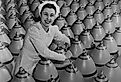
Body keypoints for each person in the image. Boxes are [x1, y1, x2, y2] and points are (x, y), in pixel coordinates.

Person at [14, 1, 70, 75]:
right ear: (40, 14)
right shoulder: (33, 30)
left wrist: (68, 42)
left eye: (52, 15)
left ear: (55, 17)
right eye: (45, 14)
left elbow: (62, 37)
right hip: (26, 65)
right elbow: (44, 52)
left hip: (39, 65)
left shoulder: (53, 29)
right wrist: (64, 57)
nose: (48, 18)